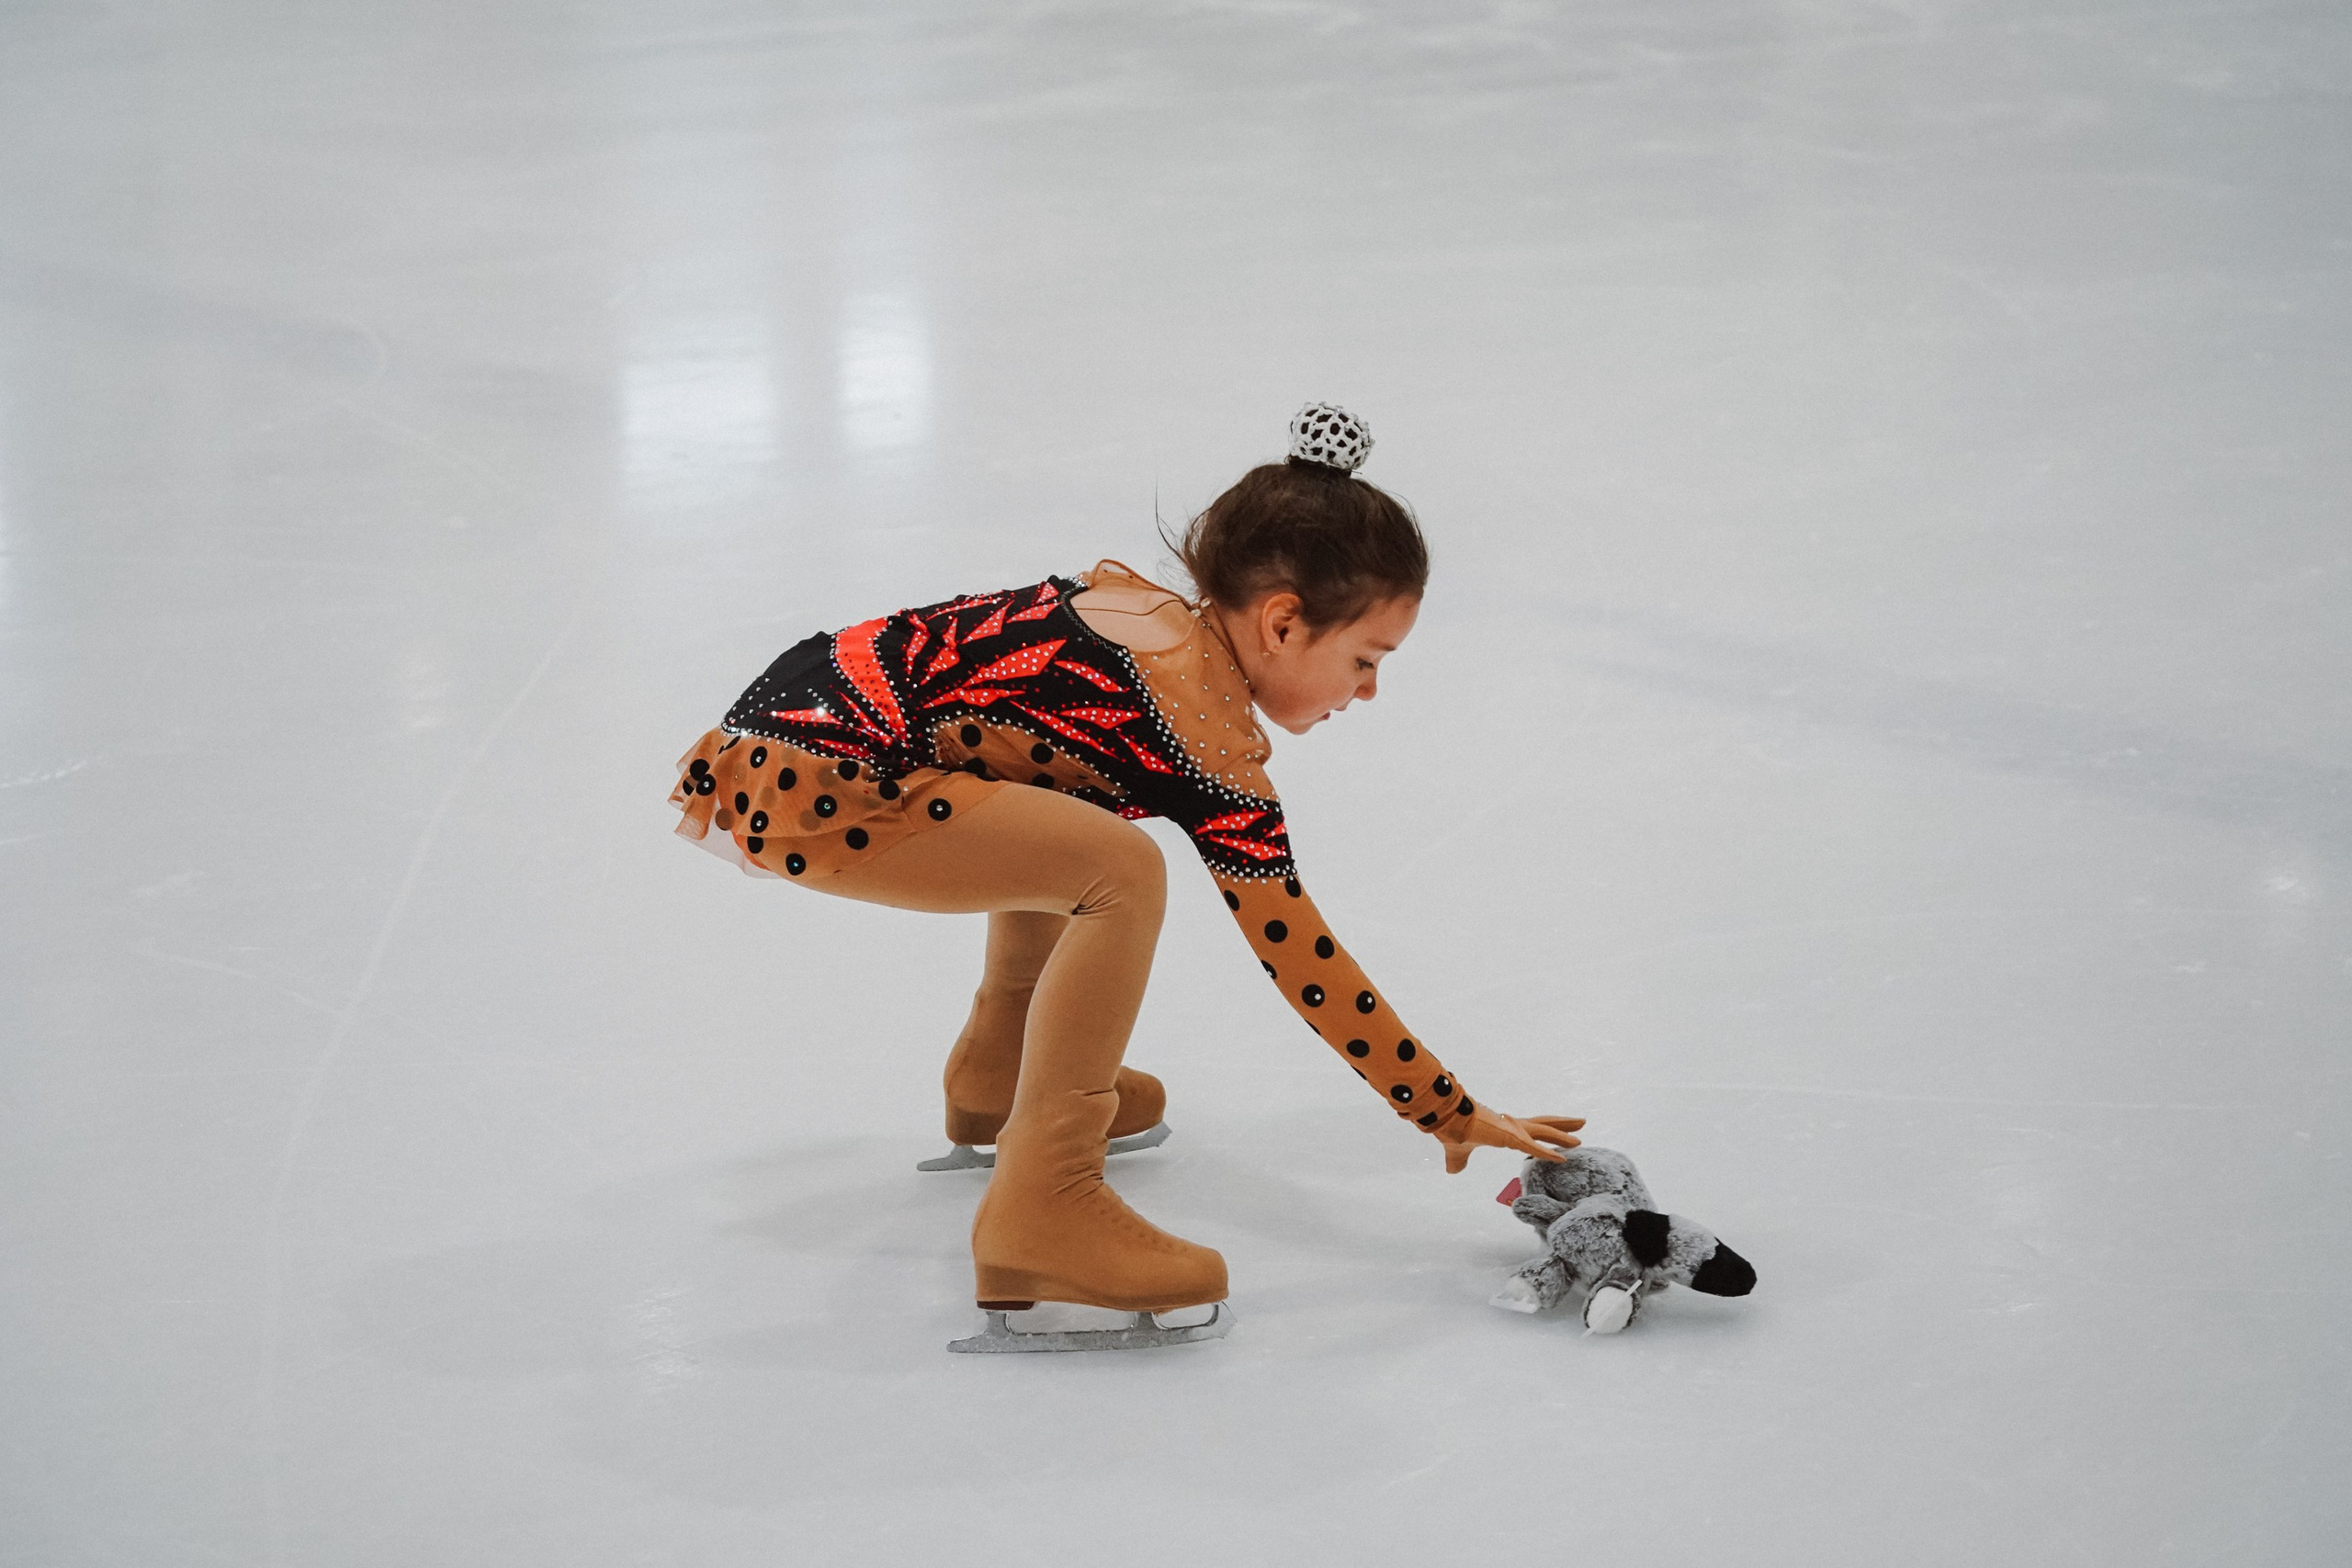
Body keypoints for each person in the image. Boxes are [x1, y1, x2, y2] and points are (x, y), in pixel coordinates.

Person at [669, 403, 1584, 1348]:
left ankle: (999, 1078)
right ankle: (1045, 1204)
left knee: (1072, 826)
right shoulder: (1200, 738)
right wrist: (1445, 1109)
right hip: (823, 779)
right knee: (1122, 870)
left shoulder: (1146, 628)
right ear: (1280, 622)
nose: (1367, 691)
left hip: (778, 743)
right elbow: (1301, 954)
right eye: (1364, 659)